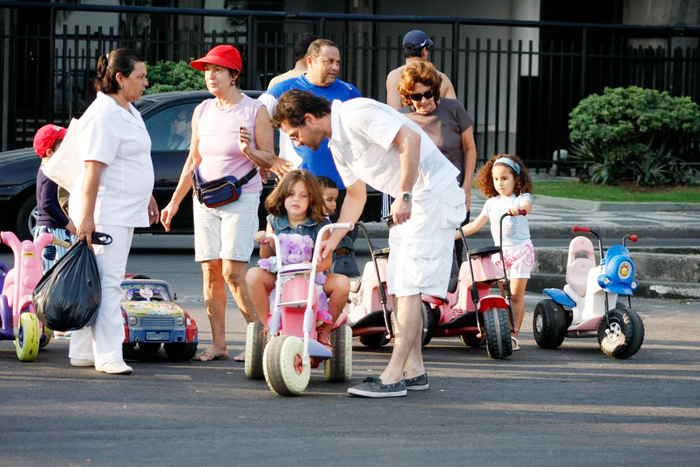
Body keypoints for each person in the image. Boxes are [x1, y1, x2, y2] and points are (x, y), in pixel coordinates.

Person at [272, 90, 466, 398]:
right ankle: (414, 370)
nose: (296, 143)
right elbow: (356, 195)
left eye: (295, 134)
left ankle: (393, 376)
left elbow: (410, 140)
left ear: (309, 119)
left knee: (409, 286)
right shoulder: (337, 142)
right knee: (400, 284)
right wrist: (333, 239)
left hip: (429, 196)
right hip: (412, 202)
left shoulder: (355, 113)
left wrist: (403, 195)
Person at [160, 44, 276, 363]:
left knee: (233, 273)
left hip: (242, 196)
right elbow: (193, 159)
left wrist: (249, 149)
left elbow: (270, 157)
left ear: (234, 75)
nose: (210, 76)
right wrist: (174, 202)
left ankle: (261, 337)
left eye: (218, 70)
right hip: (205, 197)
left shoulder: (255, 111)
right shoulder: (203, 110)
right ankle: (220, 344)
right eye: (208, 70)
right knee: (210, 272)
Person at [68, 47, 159, 375]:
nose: (145, 82)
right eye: (140, 77)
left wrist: (147, 195)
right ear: (119, 79)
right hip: (106, 211)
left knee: (96, 280)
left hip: (121, 209)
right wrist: (88, 218)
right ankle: (108, 355)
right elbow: (93, 171)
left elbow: (133, 159)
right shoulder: (103, 115)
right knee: (108, 283)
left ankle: (81, 351)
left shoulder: (127, 109)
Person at [260, 38, 362, 276]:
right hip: (303, 185)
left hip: (342, 183)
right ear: (310, 61)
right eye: (328, 61)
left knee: (342, 248)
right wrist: (271, 160)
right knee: (304, 253)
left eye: (338, 62)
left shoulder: (348, 91)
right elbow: (257, 117)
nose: (335, 67)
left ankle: (340, 303)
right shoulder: (286, 88)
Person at [246, 170, 350, 347]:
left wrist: (311, 266)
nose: (296, 200)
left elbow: (326, 261)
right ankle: (268, 324)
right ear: (282, 196)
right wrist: (264, 242)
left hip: (311, 279)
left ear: (312, 199)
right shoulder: (275, 220)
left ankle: (325, 329)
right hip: (281, 276)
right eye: (291, 194)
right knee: (253, 275)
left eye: (303, 196)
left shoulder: (321, 224)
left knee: (342, 283)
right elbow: (268, 256)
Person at [397, 61, 477, 263]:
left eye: (428, 94)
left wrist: (466, 187)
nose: (423, 100)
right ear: (408, 97)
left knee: (454, 250)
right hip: (421, 198)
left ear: (436, 91)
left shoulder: (453, 109)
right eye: (416, 96)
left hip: (453, 192)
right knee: (423, 253)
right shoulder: (402, 118)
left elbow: (469, 148)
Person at [457, 154, 534, 351]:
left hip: (520, 252)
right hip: (500, 254)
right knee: (505, 295)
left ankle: (514, 335)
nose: (499, 183)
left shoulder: (521, 199)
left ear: (516, 179)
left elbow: (527, 206)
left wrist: (519, 209)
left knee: (516, 295)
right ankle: (505, 331)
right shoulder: (492, 203)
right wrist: (451, 235)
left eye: (505, 178)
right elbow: (474, 225)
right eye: (496, 178)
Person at [33, 124, 76, 272]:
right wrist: (67, 223)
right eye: (62, 147)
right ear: (50, 152)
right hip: (53, 232)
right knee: (57, 272)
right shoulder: (51, 173)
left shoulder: (43, 170)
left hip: (48, 230)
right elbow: (46, 204)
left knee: (49, 270)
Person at [385, 30, 456, 111]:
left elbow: (394, 111)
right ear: (424, 51)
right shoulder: (442, 78)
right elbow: (454, 112)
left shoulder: (394, 76)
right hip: (434, 123)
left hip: (406, 122)